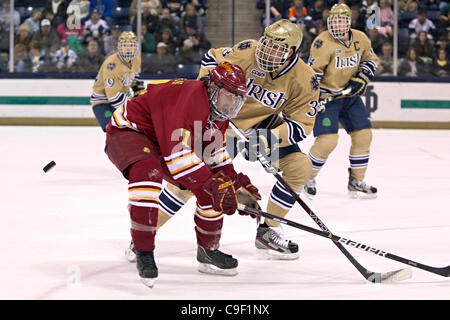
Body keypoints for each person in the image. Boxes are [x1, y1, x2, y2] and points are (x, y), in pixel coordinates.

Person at [125, 19, 320, 261]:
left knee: (300, 167)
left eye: (275, 48)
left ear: (290, 52)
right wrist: (207, 98)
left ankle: (268, 230)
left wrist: (266, 140)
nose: (265, 50)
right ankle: (143, 236)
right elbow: (211, 58)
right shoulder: (247, 50)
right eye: (266, 43)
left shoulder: (305, 79)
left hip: (263, 129)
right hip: (221, 122)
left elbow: (301, 125)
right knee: (187, 183)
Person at [105, 62, 260, 287]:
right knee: (148, 172)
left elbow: (214, 156)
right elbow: (177, 157)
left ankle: (208, 250)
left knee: (215, 184)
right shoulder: (190, 97)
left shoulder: (218, 112)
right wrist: (215, 188)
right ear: (214, 88)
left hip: (162, 140)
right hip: (131, 130)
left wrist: (237, 186)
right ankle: (143, 250)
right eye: (229, 96)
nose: (233, 103)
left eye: (238, 98)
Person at [304, 3, 379, 199]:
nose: (337, 24)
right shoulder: (322, 43)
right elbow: (312, 76)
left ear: (348, 21)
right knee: (328, 141)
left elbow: (371, 60)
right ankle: (306, 177)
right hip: (328, 99)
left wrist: (361, 78)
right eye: (334, 20)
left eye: (341, 20)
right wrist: (314, 98)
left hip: (351, 99)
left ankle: (356, 180)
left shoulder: (360, 38)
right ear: (329, 21)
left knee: (364, 136)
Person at [90, 31, 144, 131]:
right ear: (119, 47)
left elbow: (134, 77)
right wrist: (132, 109)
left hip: (122, 96)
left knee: (134, 127)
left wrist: (139, 94)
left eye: (131, 45)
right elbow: (113, 97)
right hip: (102, 101)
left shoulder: (136, 59)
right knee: (113, 128)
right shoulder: (112, 65)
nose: (128, 48)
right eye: (125, 45)